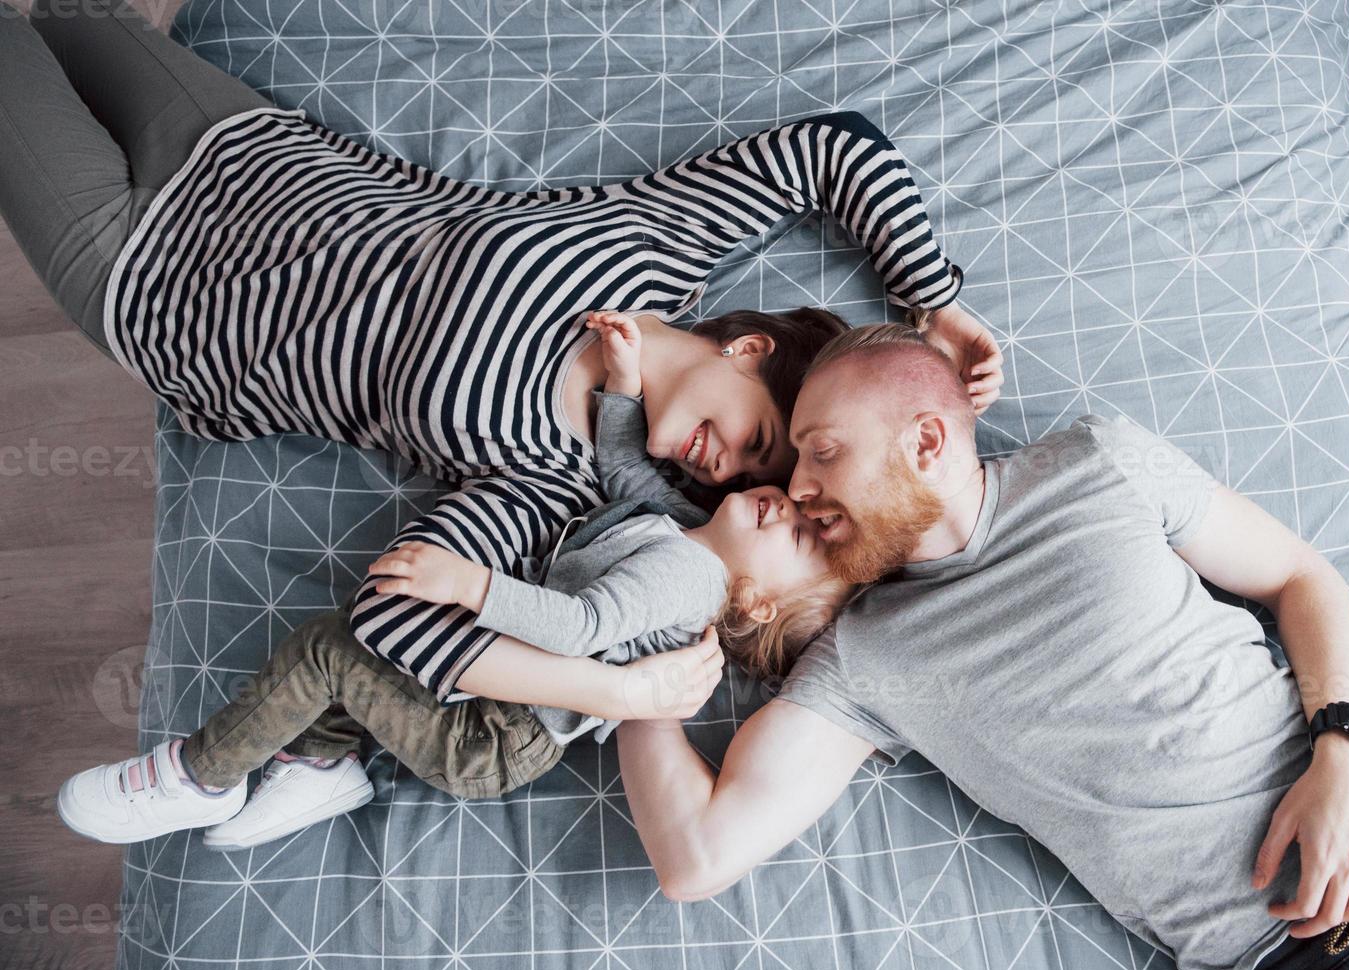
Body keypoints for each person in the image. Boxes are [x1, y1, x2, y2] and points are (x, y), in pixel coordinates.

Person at [0, 0, 1003, 706]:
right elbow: (837, 148)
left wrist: (612, 686)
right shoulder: (651, 243)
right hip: (239, 147)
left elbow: (397, 623)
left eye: (745, 476)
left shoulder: (551, 481)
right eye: (761, 436)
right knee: (70, 13)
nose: (723, 467)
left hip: (155, 287)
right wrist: (936, 304)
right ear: (745, 349)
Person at [616, 323, 1349, 970]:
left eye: (823, 452)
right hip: (1299, 955)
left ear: (925, 443)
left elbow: (1299, 577)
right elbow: (695, 858)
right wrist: (634, 662)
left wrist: (1348, 754)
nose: (797, 487)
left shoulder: (1099, 460)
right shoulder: (860, 660)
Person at [56, 311, 851, 850]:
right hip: (497, 707)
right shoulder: (682, 526)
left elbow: (578, 627)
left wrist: (470, 585)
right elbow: (619, 467)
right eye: (795, 502)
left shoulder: (685, 579)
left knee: (331, 650)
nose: (787, 508)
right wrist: (624, 384)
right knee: (364, 663)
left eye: (796, 539)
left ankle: (201, 775)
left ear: (755, 599)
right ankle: (320, 764)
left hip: (494, 739)